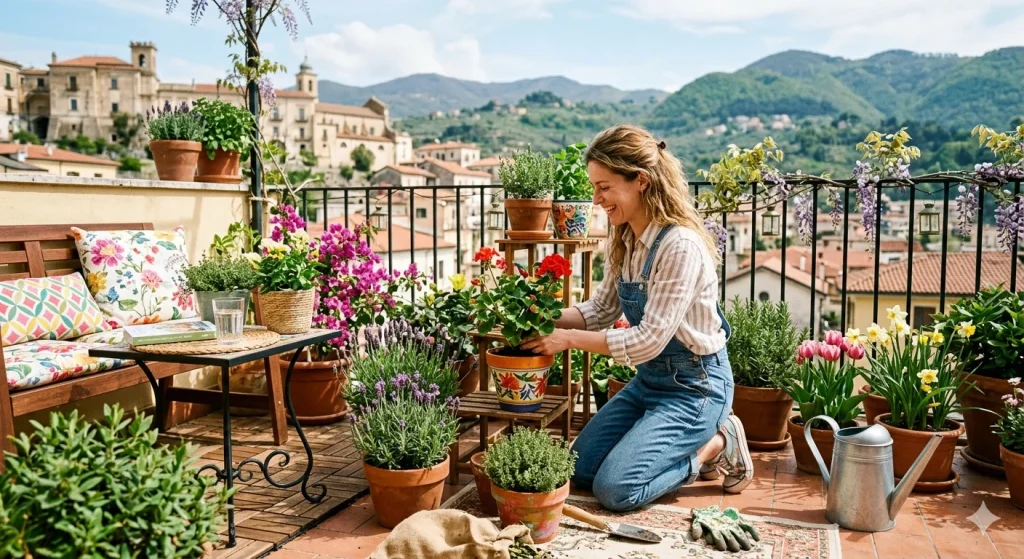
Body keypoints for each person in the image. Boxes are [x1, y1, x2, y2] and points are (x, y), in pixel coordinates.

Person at [521, 124, 753, 512]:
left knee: (616, 490)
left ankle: (718, 441)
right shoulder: (625, 238)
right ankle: (689, 441)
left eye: (604, 186)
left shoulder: (679, 246)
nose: (596, 199)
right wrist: (544, 316)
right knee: (578, 470)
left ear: (640, 181)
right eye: (595, 187)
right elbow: (602, 310)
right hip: (648, 383)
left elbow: (647, 341)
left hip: (695, 387)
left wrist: (567, 339)